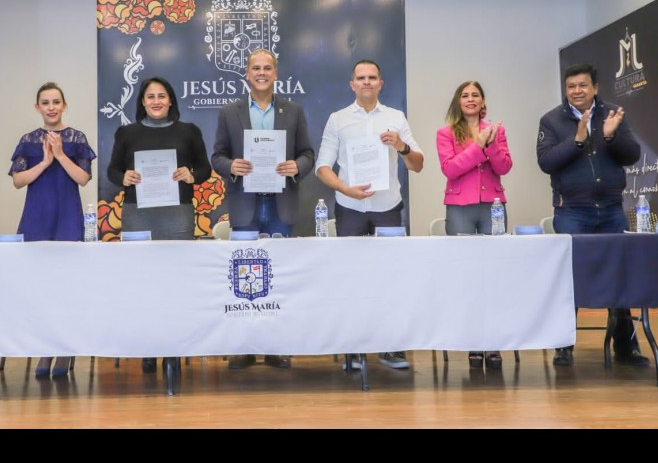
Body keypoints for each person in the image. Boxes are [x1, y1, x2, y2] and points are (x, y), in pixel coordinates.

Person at [537, 63, 649, 368]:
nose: (577, 91)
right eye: (571, 86)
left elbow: (632, 155)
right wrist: (577, 140)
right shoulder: (551, 120)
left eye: (583, 85)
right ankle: (564, 345)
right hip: (572, 212)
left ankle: (625, 347)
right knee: (569, 278)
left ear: (595, 88)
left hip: (611, 210)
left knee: (619, 275)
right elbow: (546, 162)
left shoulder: (612, 113)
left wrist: (611, 137)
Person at [316, 59, 424, 371]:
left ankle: (391, 348)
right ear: (352, 84)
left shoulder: (395, 117)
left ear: (380, 83)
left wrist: (401, 146)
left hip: (387, 209)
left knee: (391, 278)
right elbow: (323, 167)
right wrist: (345, 188)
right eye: (361, 78)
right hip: (350, 208)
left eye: (372, 77)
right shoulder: (338, 119)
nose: (366, 82)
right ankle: (353, 349)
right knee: (350, 279)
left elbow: (417, 165)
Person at [212, 48, 315, 370]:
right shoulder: (230, 112)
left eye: (267, 68)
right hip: (246, 205)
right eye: (255, 68)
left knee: (279, 276)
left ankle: (276, 346)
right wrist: (232, 166)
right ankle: (244, 347)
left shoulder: (293, 111)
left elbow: (308, 154)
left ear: (275, 74)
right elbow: (217, 156)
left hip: (281, 204)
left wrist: (296, 166)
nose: (261, 73)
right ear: (247, 73)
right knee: (244, 277)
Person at [108, 76, 211, 374]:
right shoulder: (126, 133)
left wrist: (191, 175)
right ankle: (148, 348)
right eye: (150, 96)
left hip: (176, 214)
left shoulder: (189, 131)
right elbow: (112, 171)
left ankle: (174, 348)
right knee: (142, 282)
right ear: (142, 101)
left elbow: (205, 169)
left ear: (171, 100)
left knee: (176, 282)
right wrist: (123, 177)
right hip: (138, 214)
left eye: (161, 96)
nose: (156, 101)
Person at [9, 82, 96, 378]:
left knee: (67, 286)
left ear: (64, 105)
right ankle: (44, 349)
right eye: (45, 102)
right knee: (40, 288)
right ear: (38, 107)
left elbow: (83, 178)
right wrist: (46, 161)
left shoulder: (76, 138)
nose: (51, 107)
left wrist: (59, 155)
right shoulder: (28, 140)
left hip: (67, 217)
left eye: (56, 102)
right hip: (37, 218)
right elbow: (18, 181)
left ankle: (64, 349)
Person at [436, 80, 513, 370]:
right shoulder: (445, 133)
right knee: (466, 275)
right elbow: (450, 169)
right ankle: (473, 342)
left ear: (483, 102)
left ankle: (493, 343)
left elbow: (504, 167)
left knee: (494, 275)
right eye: (465, 95)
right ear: (458, 102)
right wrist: (478, 146)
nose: (470, 99)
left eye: (475, 95)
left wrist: (490, 144)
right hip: (460, 209)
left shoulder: (496, 131)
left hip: (493, 206)